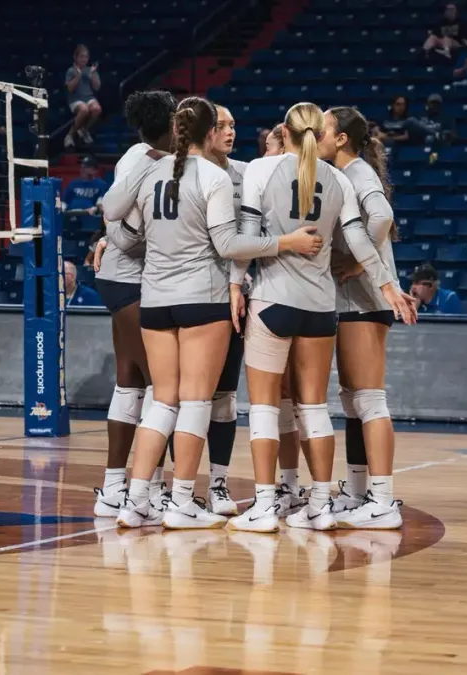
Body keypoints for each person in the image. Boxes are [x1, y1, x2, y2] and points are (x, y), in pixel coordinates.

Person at [106, 96, 324, 530]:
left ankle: (135, 501)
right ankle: (183, 501)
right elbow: (228, 246)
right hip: (202, 298)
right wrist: (286, 243)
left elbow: (112, 212)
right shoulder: (214, 176)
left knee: (161, 403)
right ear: (210, 132)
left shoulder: (149, 170)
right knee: (196, 402)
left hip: (154, 298)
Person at [226, 102, 413, 534]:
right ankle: (322, 506)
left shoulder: (261, 169)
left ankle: (267, 506)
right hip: (322, 308)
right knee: (315, 408)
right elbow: (363, 241)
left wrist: (236, 285)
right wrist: (386, 283)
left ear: (286, 132)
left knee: (266, 409)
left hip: (274, 301)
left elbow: (248, 240)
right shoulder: (338, 180)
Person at [317, 106, 414, 529]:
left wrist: (360, 263)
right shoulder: (343, 174)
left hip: (367, 300)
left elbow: (383, 216)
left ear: (341, 139)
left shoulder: (359, 174)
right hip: (352, 301)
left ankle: (383, 499)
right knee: (353, 399)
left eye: (322, 130)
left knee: (370, 399)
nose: (316, 135)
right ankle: (357, 492)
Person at [89, 90, 177, 520]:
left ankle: (112, 488)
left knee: (131, 384)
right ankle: (152, 490)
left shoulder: (135, 155)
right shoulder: (150, 162)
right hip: (129, 281)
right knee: (163, 389)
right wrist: (139, 240)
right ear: (171, 125)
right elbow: (120, 224)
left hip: (121, 281)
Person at [193, 102, 252, 516]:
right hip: (191, 296)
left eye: (233, 125)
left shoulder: (247, 175)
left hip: (234, 298)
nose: (230, 131)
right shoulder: (184, 173)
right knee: (183, 398)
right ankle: (170, 488)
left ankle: (217, 483)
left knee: (225, 397)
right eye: (221, 125)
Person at [64, 45, 103, 148]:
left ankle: (84, 129)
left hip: (89, 97)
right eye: (81, 56)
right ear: (76, 57)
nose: (84, 59)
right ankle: (70, 135)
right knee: (84, 110)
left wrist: (93, 75)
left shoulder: (91, 70)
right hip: (75, 99)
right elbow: (70, 89)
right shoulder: (71, 71)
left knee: (97, 109)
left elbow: (97, 87)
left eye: (86, 57)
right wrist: (77, 76)